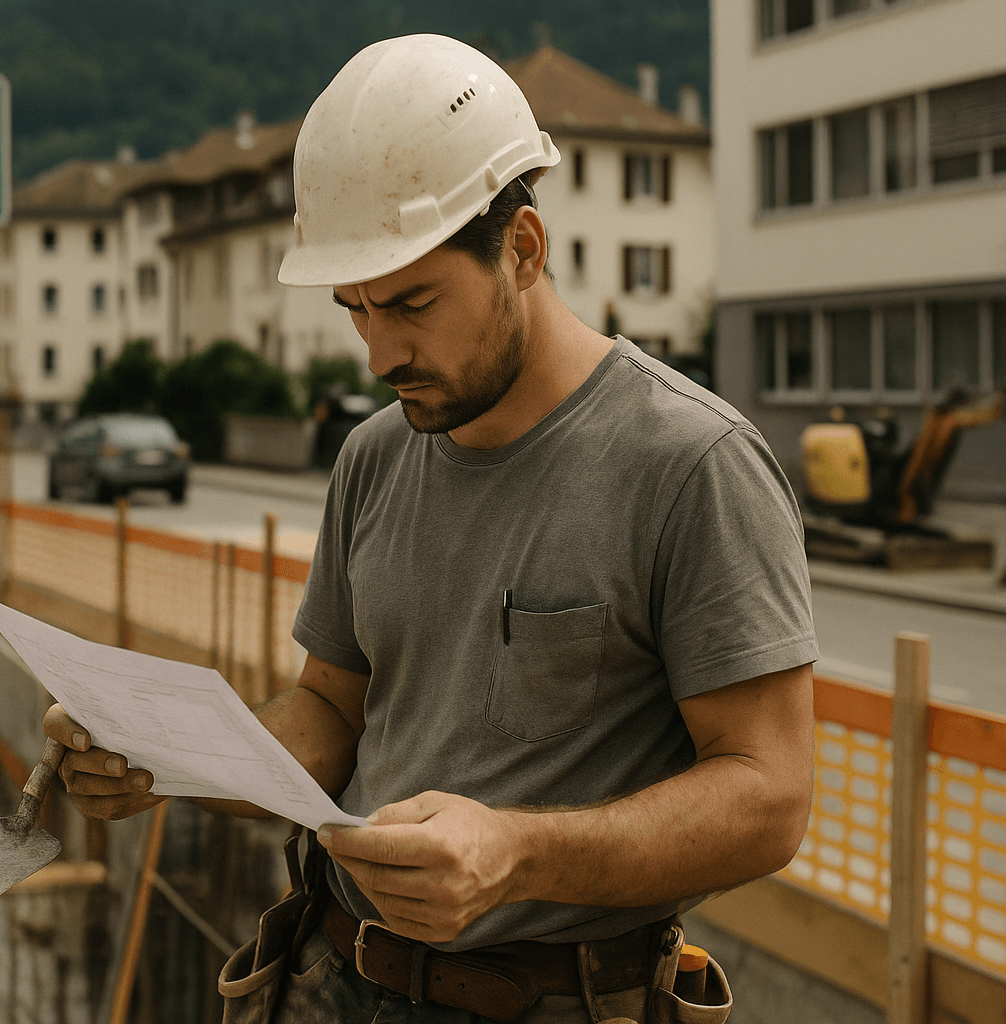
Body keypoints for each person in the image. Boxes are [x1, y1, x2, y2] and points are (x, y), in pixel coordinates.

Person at [43, 33, 818, 1024]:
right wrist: (161, 756)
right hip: (331, 974)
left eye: (410, 303)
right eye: (355, 309)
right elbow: (328, 716)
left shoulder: (691, 464)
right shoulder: (375, 456)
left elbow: (769, 796)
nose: (378, 352)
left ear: (523, 249)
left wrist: (516, 853)